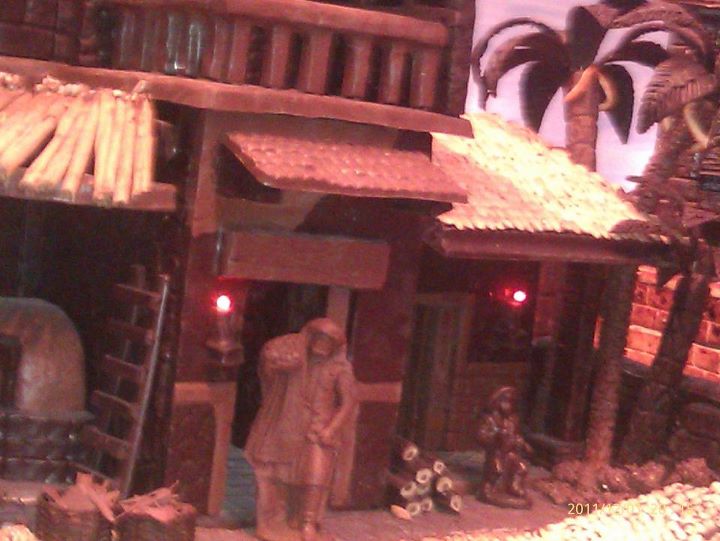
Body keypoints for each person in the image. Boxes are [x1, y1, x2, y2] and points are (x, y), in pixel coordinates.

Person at [294, 318, 357, 541]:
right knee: (290, 474)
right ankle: (288, 516)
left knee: (315, 477)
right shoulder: (301, 363)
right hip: (296, 426)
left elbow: (348, 403)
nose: (321, 345)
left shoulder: (340, 370)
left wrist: (331, 429)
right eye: (318, 339)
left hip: (319, 430)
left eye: (327, 341)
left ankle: (308, 522)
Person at [245, 332, 309, 541]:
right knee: (268, 479)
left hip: (289, 434)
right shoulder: (279, 374)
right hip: (273, 434)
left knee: (288, 480)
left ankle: (281, 521)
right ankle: (267, 524)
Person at [476, 386, 533, 509]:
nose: (508, 406)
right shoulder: (489, 419)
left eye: (511, 402)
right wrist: (495, 437)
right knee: (496, 469)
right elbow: (481, 436)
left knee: (521, 468)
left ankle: (513, 486)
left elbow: (516, 435)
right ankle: (488, 489)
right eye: (505, 401)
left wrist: (522, 443)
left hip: (509, 453)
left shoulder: (513, 420)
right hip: (496, 453)